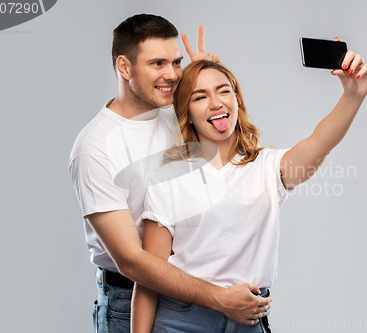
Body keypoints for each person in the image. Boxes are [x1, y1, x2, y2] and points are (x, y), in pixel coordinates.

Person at [131, 46, 367, 333]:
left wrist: (353, 96)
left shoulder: (268, 167)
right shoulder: (169, 177)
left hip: (248, 320)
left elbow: (319, 144)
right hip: (182, 321)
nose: (215, 103)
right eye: (200, 96)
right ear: (187, 112)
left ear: (237, 99)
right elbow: (150, 278)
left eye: (223, 91)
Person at [68, 14, 271, 333]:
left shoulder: (174, 113)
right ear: (124, 67)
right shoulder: (95, 148)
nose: (173, 74)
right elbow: (132, 261)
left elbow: (234, 144)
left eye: (176, 63)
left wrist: (203, 82)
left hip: (193, 299)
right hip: (130, 298)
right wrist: (220, 298)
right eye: (158, 64)